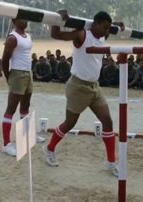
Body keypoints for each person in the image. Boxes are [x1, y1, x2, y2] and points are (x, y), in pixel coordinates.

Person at [43, 10, 122, 177]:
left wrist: (117, 26)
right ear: (96, 23)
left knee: (107, 121)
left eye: (109, 28)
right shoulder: (82, 35)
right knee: (69, 123)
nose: (107, 31)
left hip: (94, 87)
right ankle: (49, 149)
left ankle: (111, 162)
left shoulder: (102, 36)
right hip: (78, 87)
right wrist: (57, 19)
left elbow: (110, 29)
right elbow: (56, 34)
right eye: (105, 27)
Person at [1, 19, 44, 157]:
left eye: (26, 18)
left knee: (25, 106)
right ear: (14, 21)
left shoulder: (27, 36)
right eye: (22, 19)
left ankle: (26, 135)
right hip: (17, 73)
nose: (25, 21)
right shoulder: (12, 38)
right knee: (11, 109)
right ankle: (6, 144)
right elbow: (5, 60)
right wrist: (9, 77)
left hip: (27, 73)